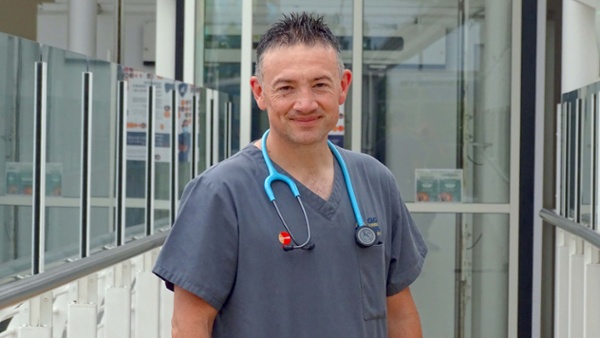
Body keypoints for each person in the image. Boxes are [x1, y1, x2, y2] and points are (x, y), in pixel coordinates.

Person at [153, 12, 427, 338]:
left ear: (343, 87)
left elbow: (399, 314)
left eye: (320, 84)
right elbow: (189, 325)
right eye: (286, 88)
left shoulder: (375, 180)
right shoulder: (220, 192)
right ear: (259, 92)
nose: (305, 103)